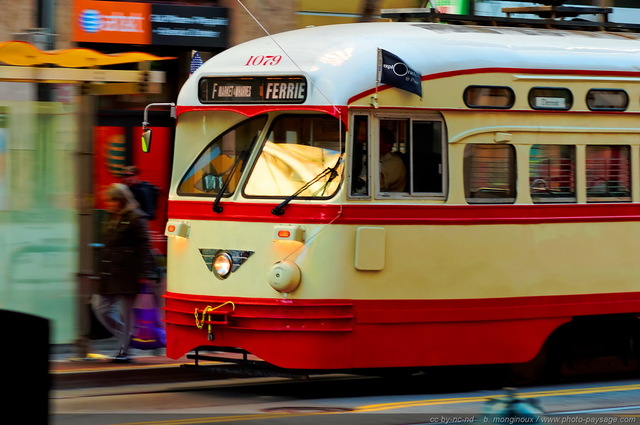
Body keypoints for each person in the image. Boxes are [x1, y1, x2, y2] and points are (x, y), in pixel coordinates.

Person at [92, 183, 156, 363]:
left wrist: (145, 274)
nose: (108, 204)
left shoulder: (136, 218)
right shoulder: (110, 217)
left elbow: (144, 247)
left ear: (120, 200)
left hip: (129, 272)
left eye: (111, 200)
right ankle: (126, 336)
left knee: (126, 314)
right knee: (100, 306)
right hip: (110, 271)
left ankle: (125, 350)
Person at [379, 128, 407, 192]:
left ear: (387, 146)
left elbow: (374, 183)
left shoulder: (394, 162)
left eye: (376, 140)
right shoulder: (376, 159)